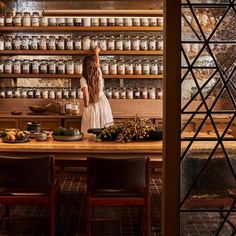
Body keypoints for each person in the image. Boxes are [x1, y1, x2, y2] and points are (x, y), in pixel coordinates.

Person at [80, 47, 113, 133]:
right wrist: (97, 53)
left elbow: (86, 95)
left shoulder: (83, 79)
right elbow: (98, 64)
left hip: (92, 103)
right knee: (104, 126)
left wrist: (86, 105)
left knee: (92, 126)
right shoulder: (98, 73)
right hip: (103, 102)